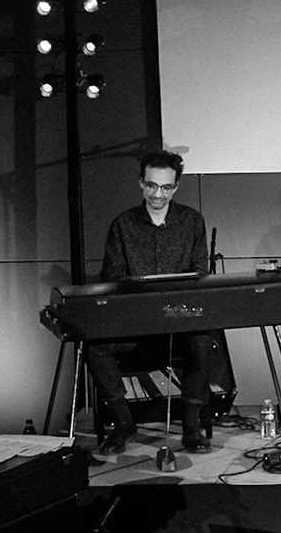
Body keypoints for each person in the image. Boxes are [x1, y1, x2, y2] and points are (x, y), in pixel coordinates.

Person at [88, 149, 223, 455]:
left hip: (180, 325)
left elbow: (201, 272)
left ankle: (191, 428)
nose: (157, 194)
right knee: (95, 348)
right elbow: (111, 275)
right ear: (141, 183)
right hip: (137, 328)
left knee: (201, 343)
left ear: (176, 187)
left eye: (165, 187)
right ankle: (124, 424)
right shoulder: (123, 224)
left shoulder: (191, 221)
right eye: (151, 185)